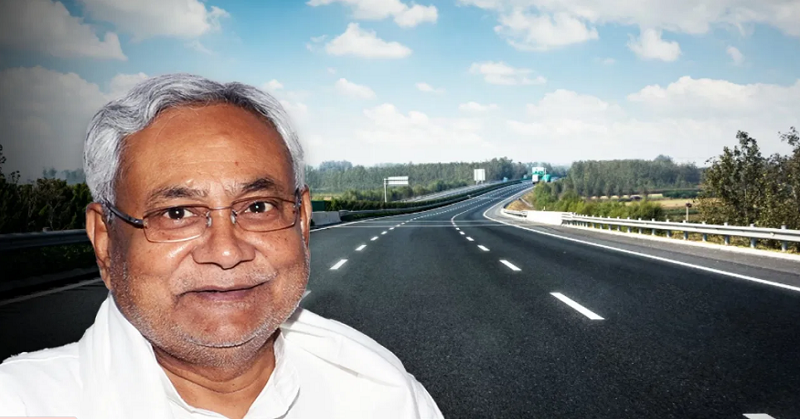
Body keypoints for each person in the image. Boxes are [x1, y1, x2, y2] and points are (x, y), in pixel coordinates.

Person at [0, 74, 443, 419]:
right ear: (104, 241)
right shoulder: (23, 402)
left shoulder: (381, 395)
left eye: (258, 207)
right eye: (177, 213)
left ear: (302, 220)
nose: (227, 252)